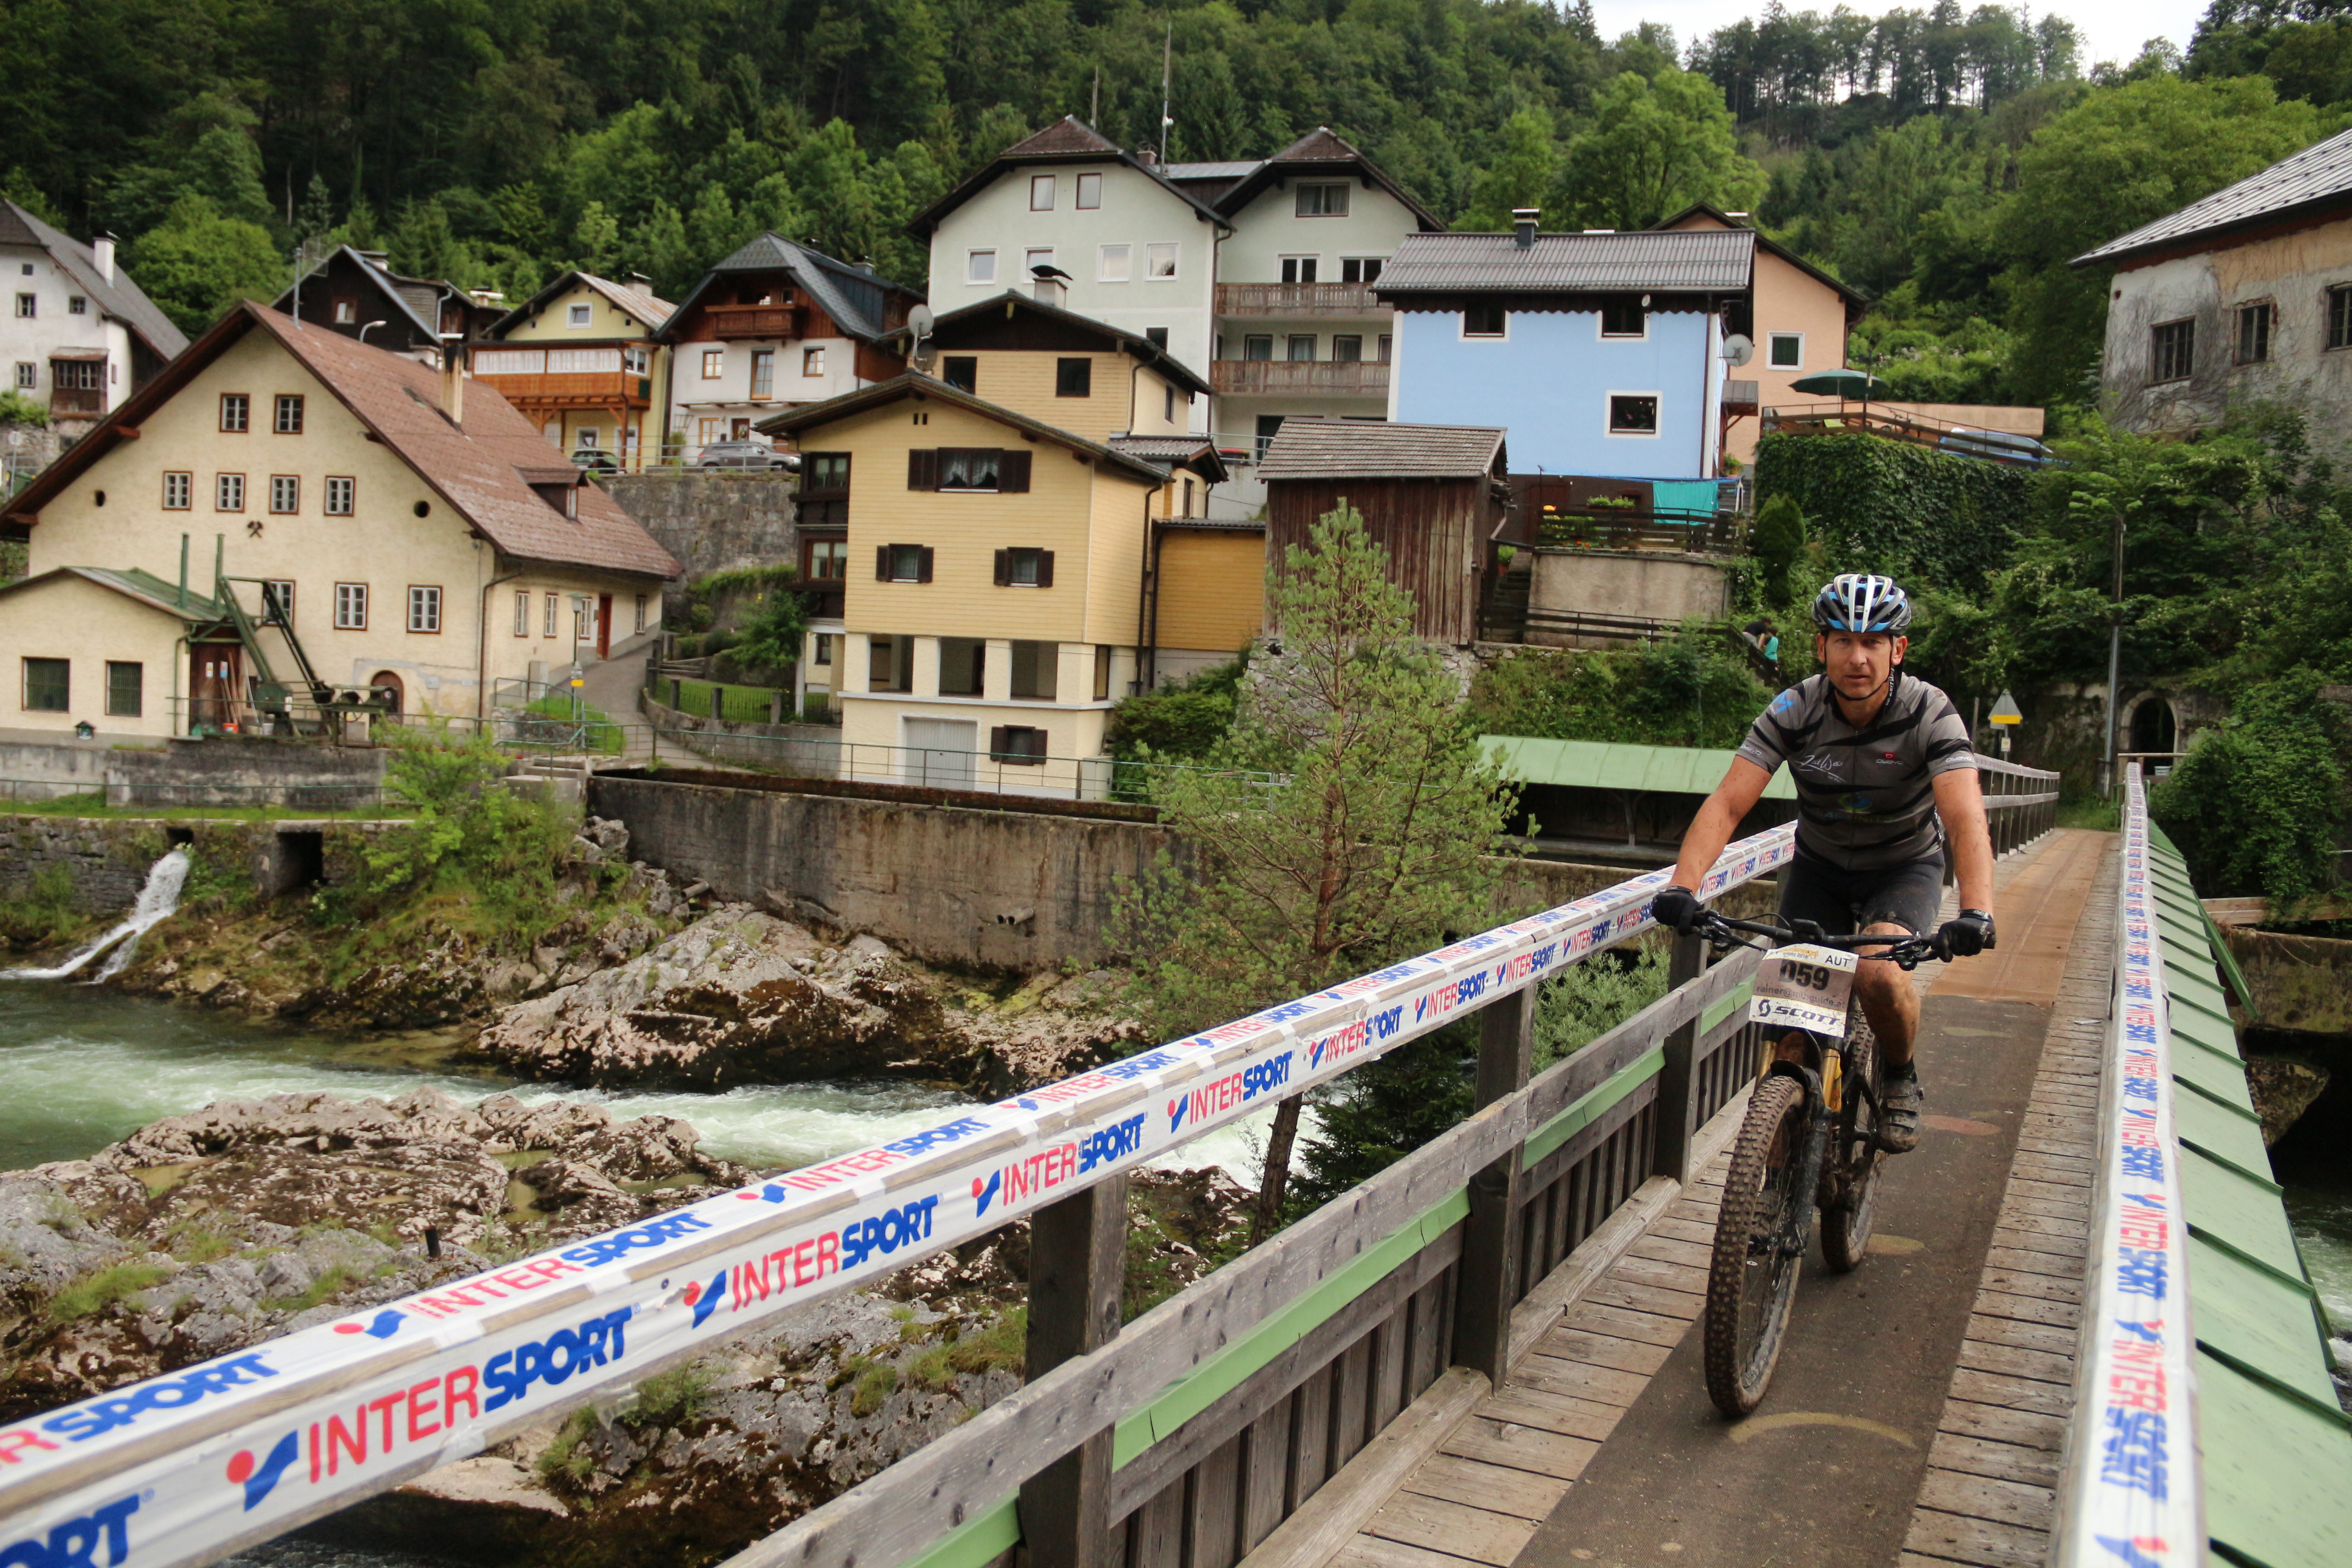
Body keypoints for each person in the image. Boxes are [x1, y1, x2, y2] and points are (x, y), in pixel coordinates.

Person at [1651, 574, 1996, 1152]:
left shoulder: (1929, 711)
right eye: (1843, 641)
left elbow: (1964, 818)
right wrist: (1683, 888)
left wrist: (1976, 911)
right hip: (1820, 868)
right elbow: (1729, 802)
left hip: (1903, 865)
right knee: (1790, 1025)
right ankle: (1773, 1172)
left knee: (1879, 976)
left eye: (1873, 643)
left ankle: (1900, 1074)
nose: (1857, 658)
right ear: (1821, 647)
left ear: (1898, 650)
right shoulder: (1794, 709)